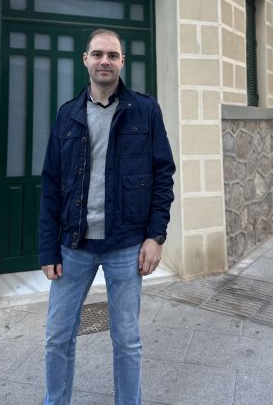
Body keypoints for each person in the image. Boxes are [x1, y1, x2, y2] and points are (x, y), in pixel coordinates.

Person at [39, 28, 175, 405]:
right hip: (74, 245)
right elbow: (51, 183)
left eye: (112, 55)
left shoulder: (145, 110)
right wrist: (47, 248)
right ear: (85, 59)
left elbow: (163, 174)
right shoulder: (67, 114)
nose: (104, 61)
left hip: (126, 245)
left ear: (121, 62)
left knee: (127, 339)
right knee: (57, 335)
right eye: (97, 54)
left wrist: (155, 236)